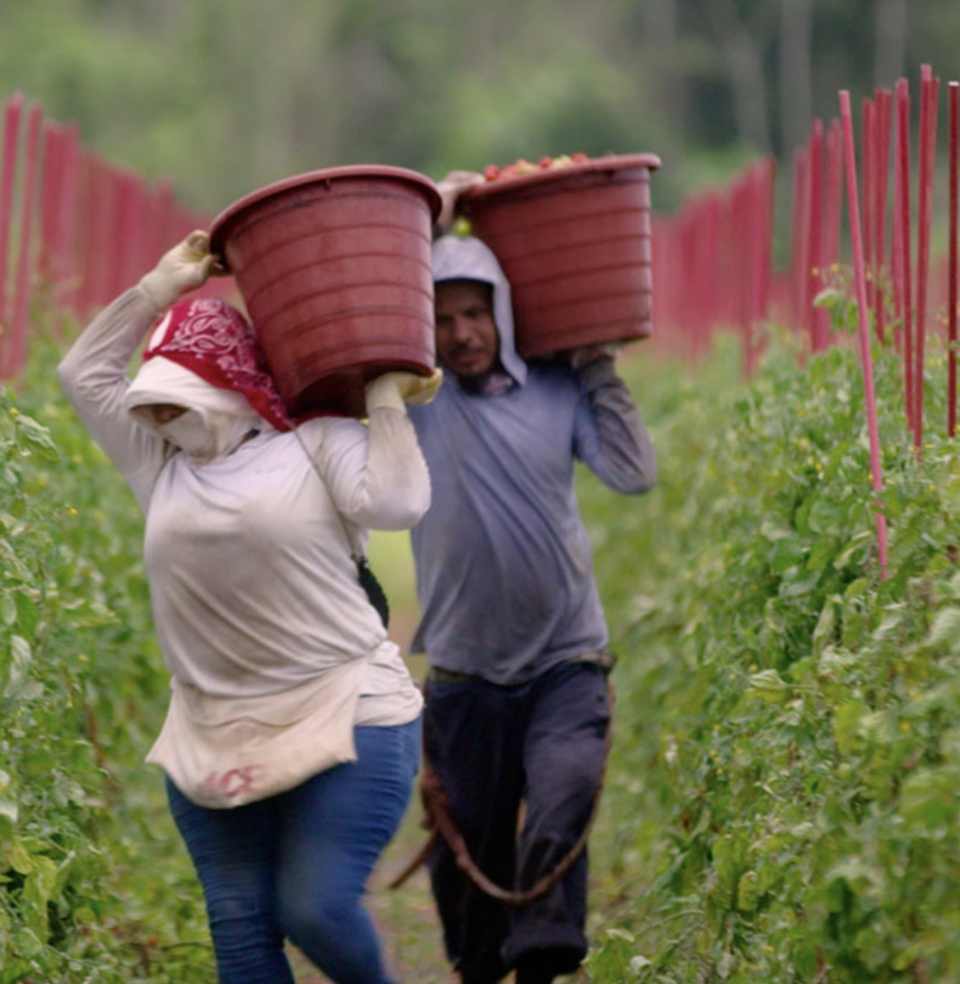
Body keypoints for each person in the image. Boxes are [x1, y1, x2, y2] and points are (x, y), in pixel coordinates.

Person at [57, 230, 441, 984]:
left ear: (229, 380)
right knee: (240, 929)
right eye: (155, 401)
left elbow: (398, 502)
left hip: (346, 707)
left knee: (316, 908)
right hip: (212, 726)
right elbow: (82, 372)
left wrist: (385, 403)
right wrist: (158, 290)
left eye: (179, 396)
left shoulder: (316, 442)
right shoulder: (157, 466)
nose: (163, 415)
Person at [405, 173, 658, 984]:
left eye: (476, 313)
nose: (463, 333)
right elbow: (387, 297)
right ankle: (479, 965)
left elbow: (631, 472)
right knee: (467, 845)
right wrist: (436, 214)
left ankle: (545, 955)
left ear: (503, 314)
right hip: (464, 673)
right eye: (443, 319)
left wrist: (598, 366)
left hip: (564, 662)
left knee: (563, 795)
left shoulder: (555, 389)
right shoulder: (418, 403)